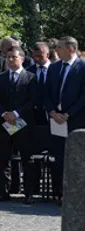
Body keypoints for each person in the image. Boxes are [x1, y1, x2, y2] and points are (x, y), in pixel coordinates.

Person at [0, 47, 37, 204]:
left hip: (23, 124)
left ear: (22, 59)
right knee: (3, 158)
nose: (10, 60)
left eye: (14, 57)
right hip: (4, 124)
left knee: (27, 159)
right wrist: (5, 114)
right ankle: (3, 191)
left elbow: (33, 101)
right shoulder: (0, 78)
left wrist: (16, 114)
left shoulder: (31, 78)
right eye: (8, 57)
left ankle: (28, 193)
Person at [44, 36, 85, 205]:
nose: (56, 50)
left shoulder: (82, 67)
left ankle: (76, 195)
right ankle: (60, 193)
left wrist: (68, 114)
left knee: (76, 159)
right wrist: (53, 112)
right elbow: (46, 93)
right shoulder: (54, 68)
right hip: (56, 120)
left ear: (70, 49)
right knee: (59, 157)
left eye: (59, 47)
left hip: (76, 120)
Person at [27, 41, 52, 125]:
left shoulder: (56, 70)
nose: (37, 59)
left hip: (52, 114)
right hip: (33, 113)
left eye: (40, 56)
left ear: (47, 55)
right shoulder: (28, 71)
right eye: (35, 56)